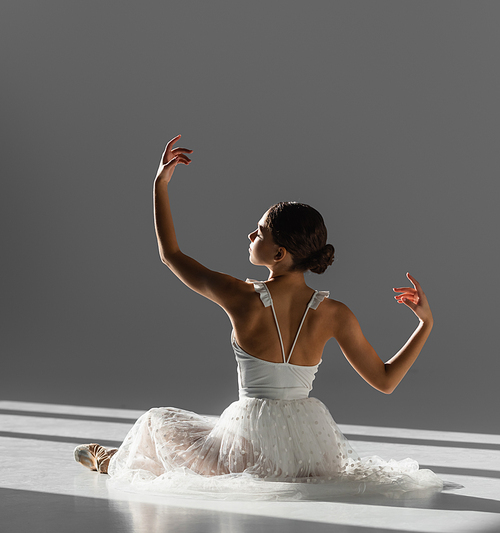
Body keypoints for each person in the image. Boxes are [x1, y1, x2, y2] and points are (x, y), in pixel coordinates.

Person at [74, 135, 443, 499]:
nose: (251, 234)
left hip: (247, 450)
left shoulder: (241, 297)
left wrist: (160, 184)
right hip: (311, 453)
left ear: (279, 252)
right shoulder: (334, 313)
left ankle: (114, 460)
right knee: (200, 436)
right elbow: (385, 380)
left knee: (156, 423)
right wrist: (424, 324)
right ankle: (118, 459)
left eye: (260, 232)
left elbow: (171, 254)